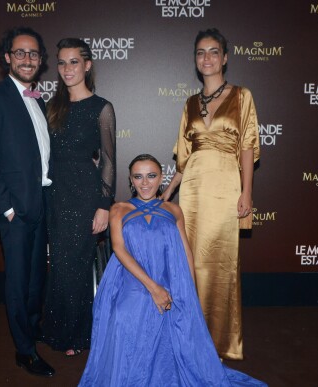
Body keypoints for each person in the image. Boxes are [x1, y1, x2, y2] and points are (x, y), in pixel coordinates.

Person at [79, 154, 266, 386]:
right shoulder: (119, 208)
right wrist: (154, 288)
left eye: (151, 176)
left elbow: (186, 252)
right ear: (130, 180)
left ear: (162, 178)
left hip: (169, 278)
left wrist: (190, 294)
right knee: (124, 316)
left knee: (175, 318)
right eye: (138, 177)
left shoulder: (174, 210)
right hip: (131, 278)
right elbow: (119, 249)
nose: (144, 182)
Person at [161, 28, 261, 361]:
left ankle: (220, 343)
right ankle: (191, 341)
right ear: (195, 59)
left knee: (220, 265)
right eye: (201, 52)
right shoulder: (190, 103)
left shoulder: (242, 96)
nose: (207, 58)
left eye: (213, 51)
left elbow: (247, 147)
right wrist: (167, 194)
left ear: (225, 57)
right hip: (193, 193)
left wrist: (247, 191)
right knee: (192, 266)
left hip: (225, 189)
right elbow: (183, 158)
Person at [0, 27, 54, 377]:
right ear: (7, 57)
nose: (27, 59)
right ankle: (24, 351)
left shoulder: (39, 100)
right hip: (15, 212)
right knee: (19, 283)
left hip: (40, 204)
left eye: (33, 54)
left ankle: (32, 329)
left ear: (40, 60)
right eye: (20, 53)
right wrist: (5, 209)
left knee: (36, 279)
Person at [40, 38, 116, 357]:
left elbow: (109, 161)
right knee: (58, 265)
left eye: (74, 61)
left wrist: (103, 206)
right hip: (54, 192)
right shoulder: (51, 106)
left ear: (87, 65)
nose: (67, 68)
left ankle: (78, 335)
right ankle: (56, 329)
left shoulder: (102, 107)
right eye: (62, 62)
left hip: (85, 194)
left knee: (79, 266)